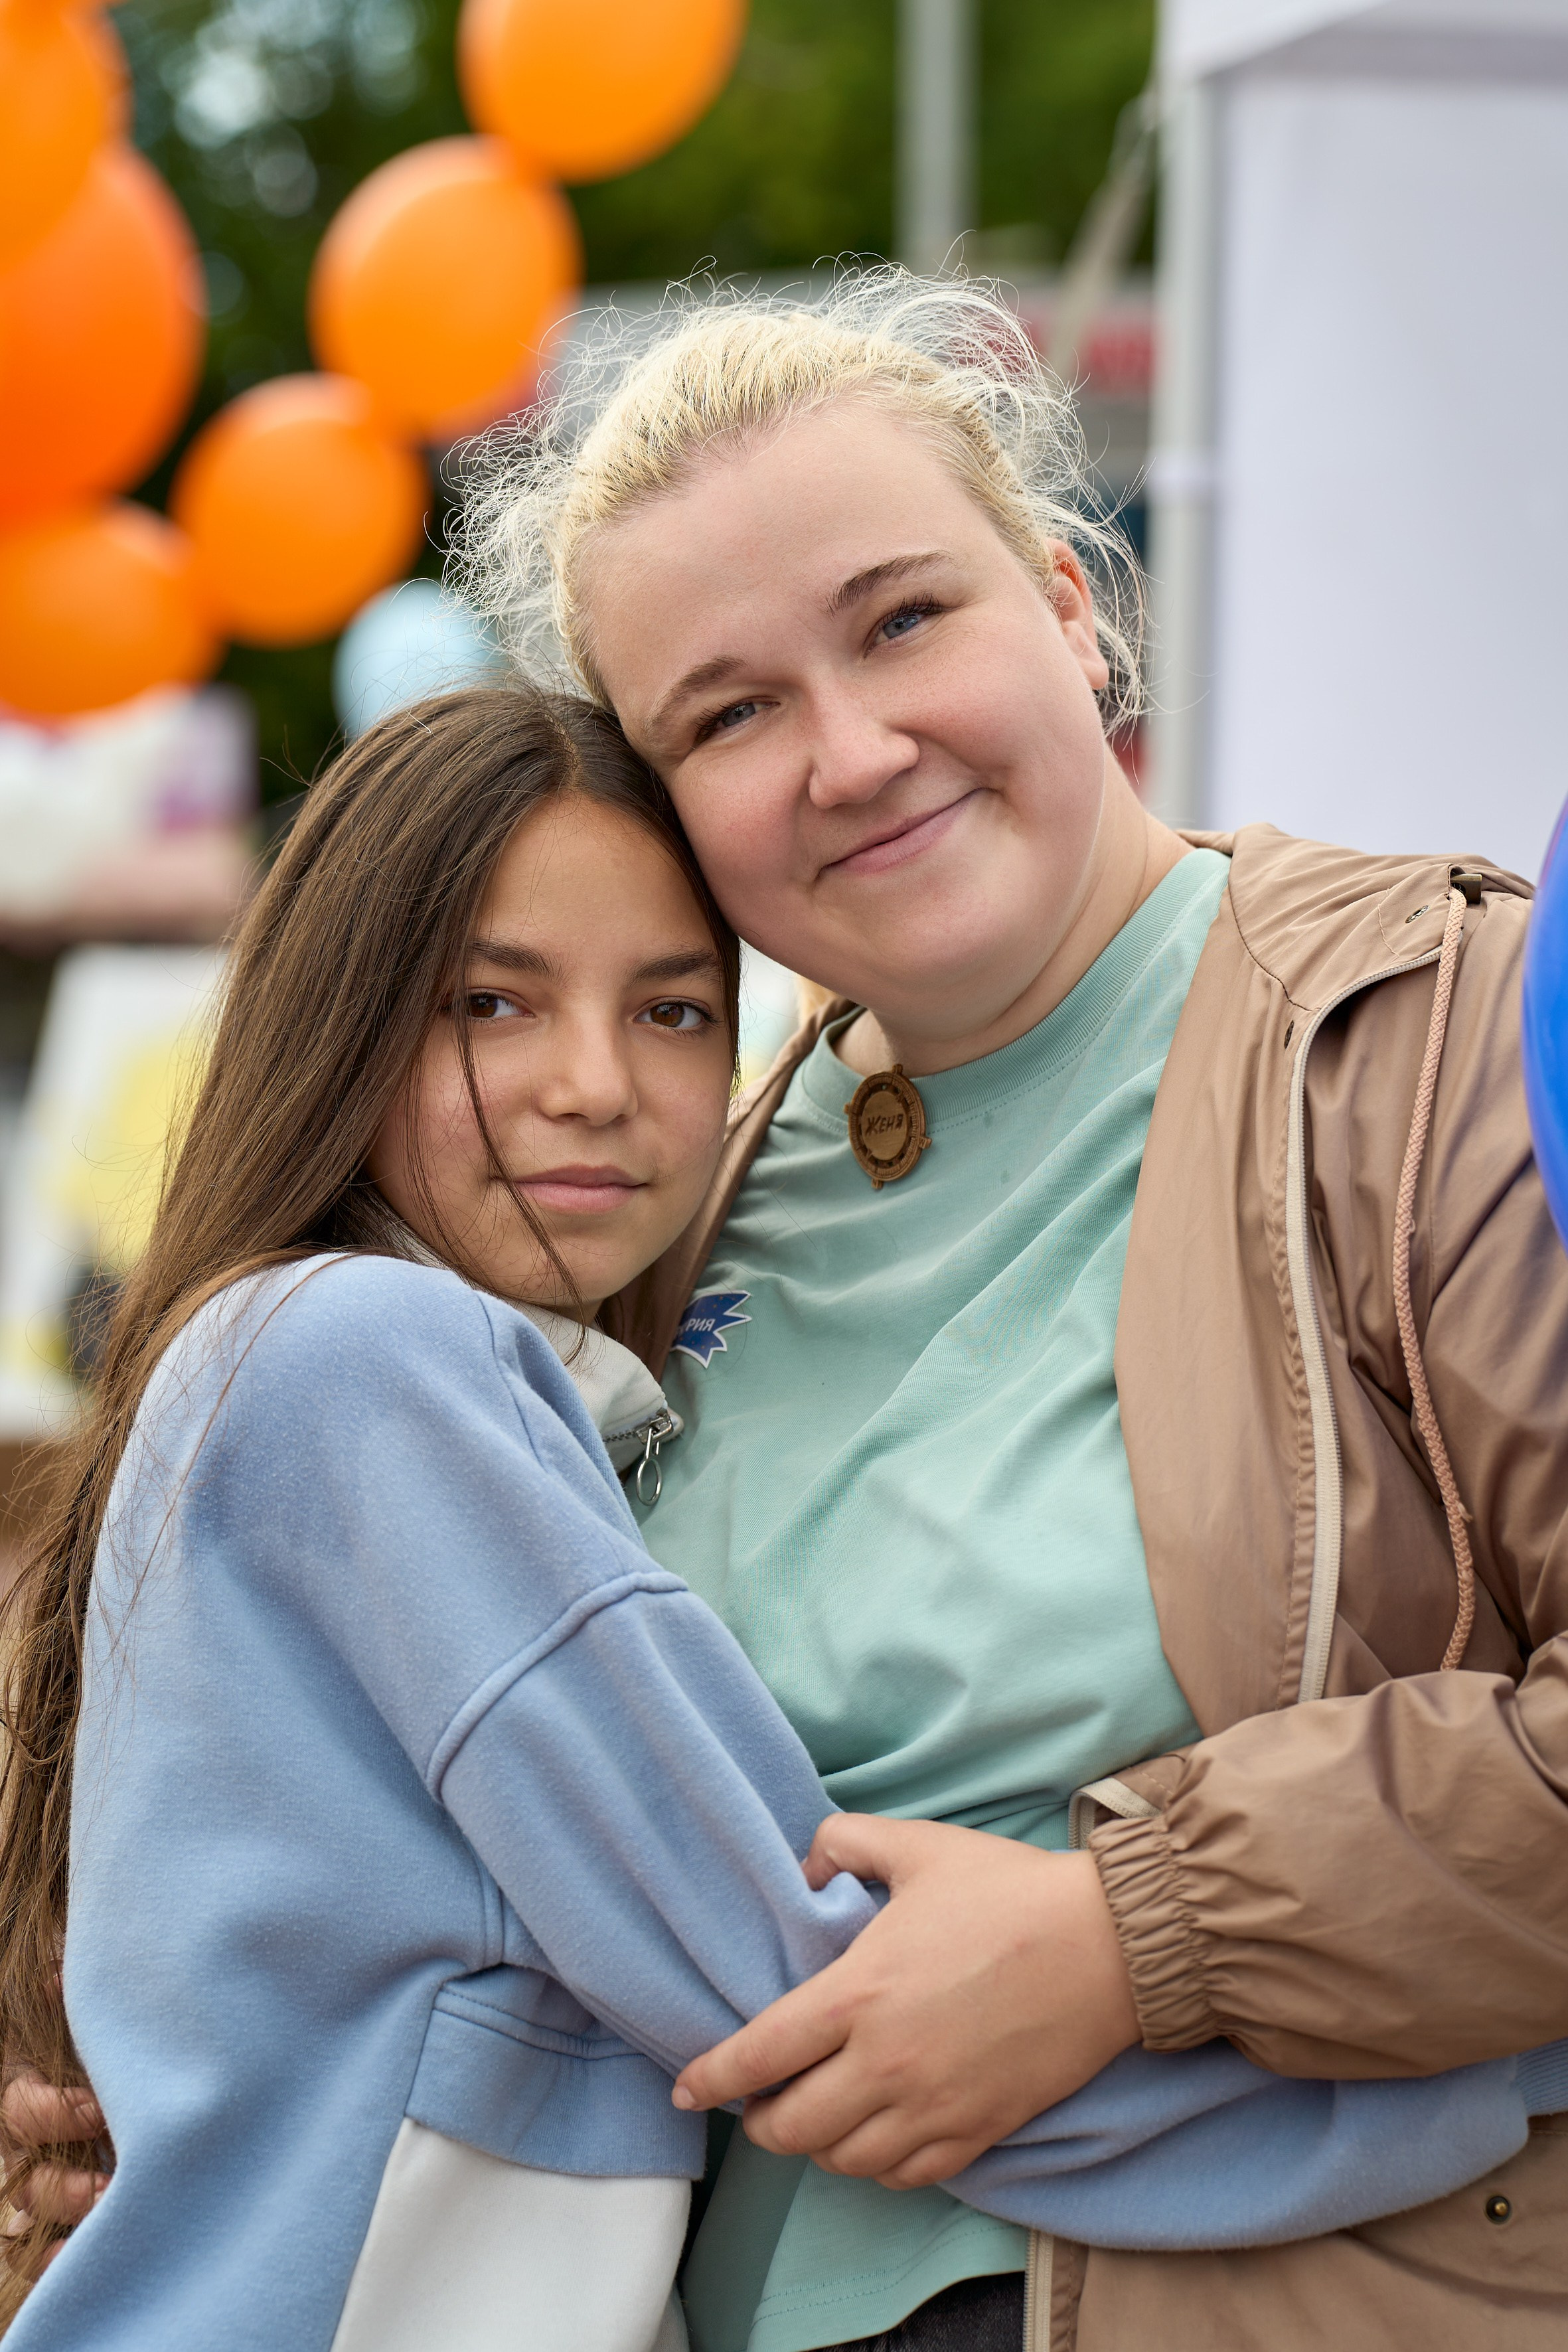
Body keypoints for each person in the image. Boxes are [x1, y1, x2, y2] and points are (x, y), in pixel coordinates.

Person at [11, 271, 1568, 2351]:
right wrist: (208, 2102)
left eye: (902, 619)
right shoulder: (656, 1188)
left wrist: (1142, 1931)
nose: (849, 750)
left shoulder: (1434, 1037)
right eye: (728, 714)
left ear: (1068, 604)